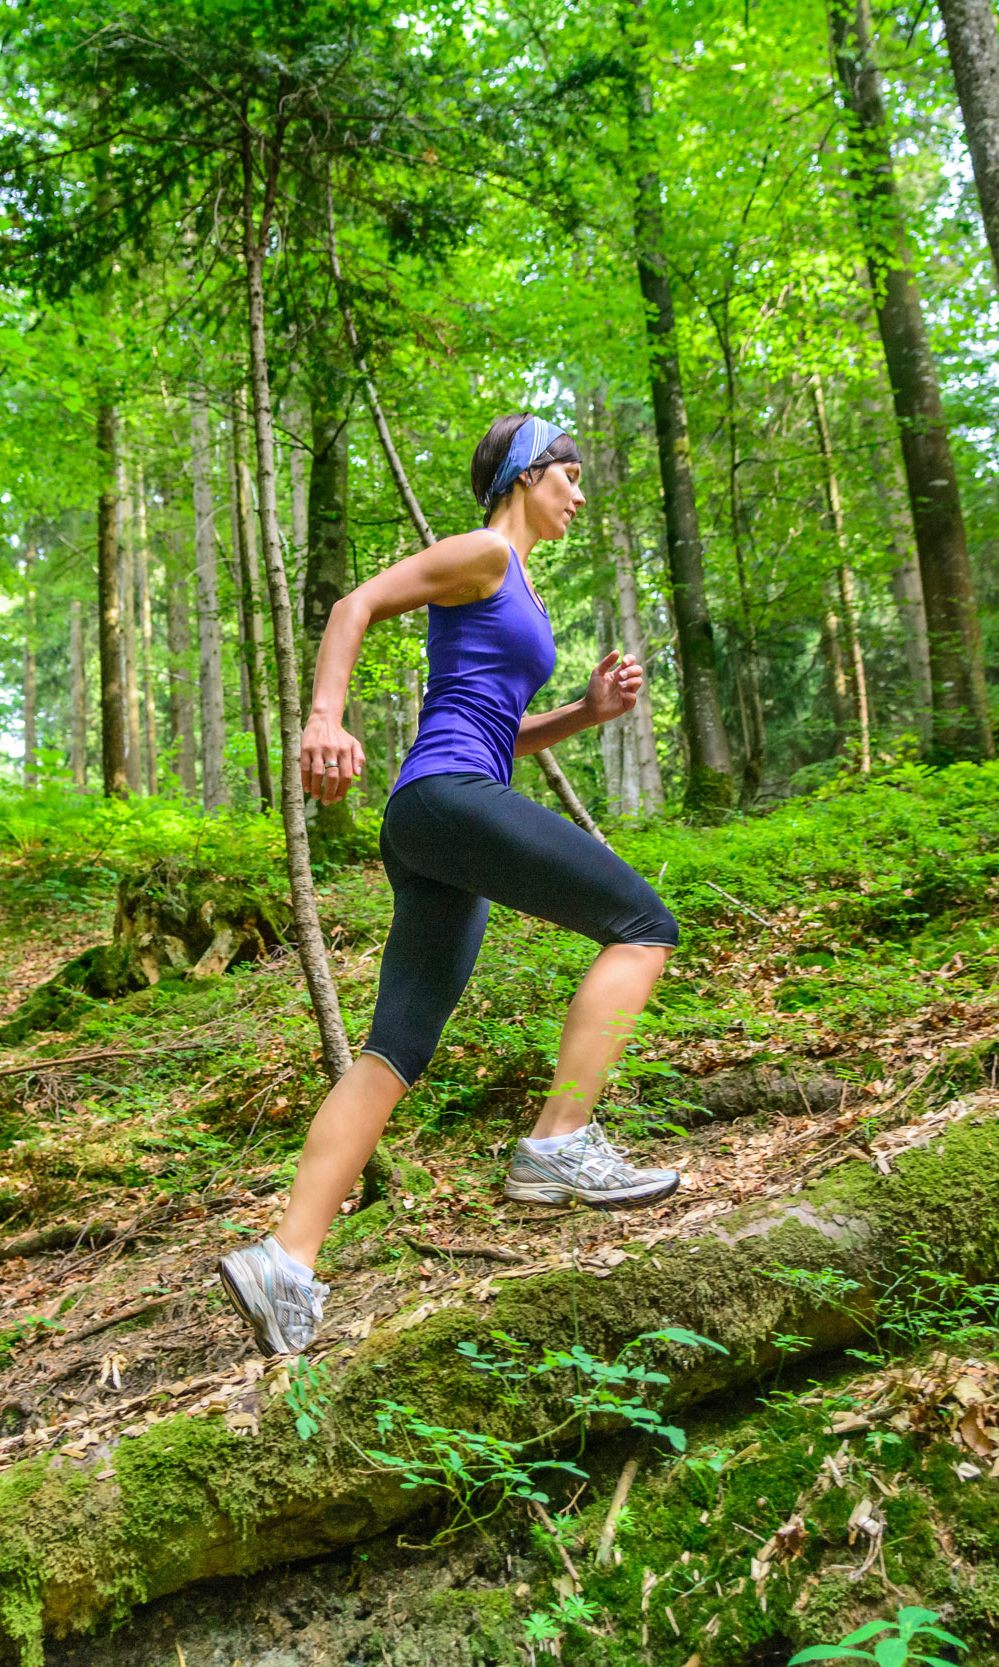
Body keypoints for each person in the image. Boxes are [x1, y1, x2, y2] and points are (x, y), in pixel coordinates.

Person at [217, 412, 681, 1359]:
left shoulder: (520, 594)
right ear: (527, 473)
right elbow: (353, 605)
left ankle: (286, 1261)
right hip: (443, 797)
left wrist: (586, 713)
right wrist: (322, 718)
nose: (580, 495)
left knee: (395, 1047)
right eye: (571, 475)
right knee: (642, 923)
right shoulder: (482, 554)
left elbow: (489, 729)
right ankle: (560, 1139)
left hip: (443, 805)